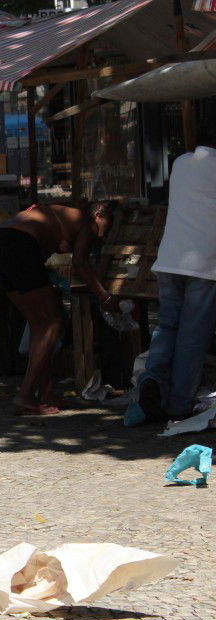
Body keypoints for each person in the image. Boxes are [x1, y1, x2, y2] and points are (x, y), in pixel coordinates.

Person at [0, 201, 119, 415]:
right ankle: (26, 395)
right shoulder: (87, 222)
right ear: (99, 214)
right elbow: (81, 263)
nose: (103, 235)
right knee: (52, 323)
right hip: (16, 245)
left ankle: (45, 393)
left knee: (40, 326)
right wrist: (104, 296)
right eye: (107, 226)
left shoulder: (59, 215)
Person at [135, 131, 216, 423]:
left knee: (167, 326)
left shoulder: (181, 163)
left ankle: (152, 380)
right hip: (203, 263)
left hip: (169, 258)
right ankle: (179, 404)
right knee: (192, 334)